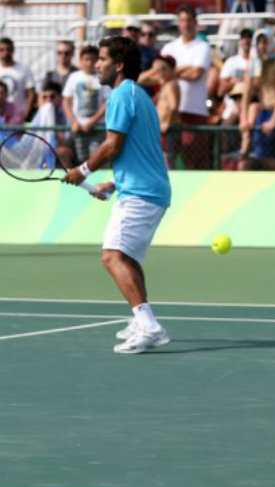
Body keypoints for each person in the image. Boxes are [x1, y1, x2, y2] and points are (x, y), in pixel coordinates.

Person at [63, 36, 171, 355]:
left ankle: (149, 324)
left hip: (140, 194)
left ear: (119, 65)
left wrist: (82, 171)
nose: (96, 63)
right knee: (128, 258)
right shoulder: (141, 96)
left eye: (102, 58)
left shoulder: (121, 96)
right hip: (150, 189)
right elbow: (140, 151)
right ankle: (142, 321)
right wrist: (112, 183)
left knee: (111, 256)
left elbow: (114, 146)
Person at [160, 5, 212, 170]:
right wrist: (184, 69)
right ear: (178, 23)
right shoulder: (169, 48)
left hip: (194, 112)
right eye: (182, 20)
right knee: (166, 160)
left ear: (195, 23)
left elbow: (196, 73)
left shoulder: (203, 46)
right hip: (169, 114)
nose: (186, 24)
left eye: (189, 20)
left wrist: (171, 71)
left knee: (193, 163)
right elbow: (159, 75)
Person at [241, 31, 275, 171]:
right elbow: (247, 91)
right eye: (259, 43)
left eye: (264, 42)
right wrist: (243, 118)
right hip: (264, 112)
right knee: (260, 156)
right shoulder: (254, 63)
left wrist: (274, 120)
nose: (262, 46)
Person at [62, 45, 110, 165]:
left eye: (93, 59)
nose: (89, 63)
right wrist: (74, 121)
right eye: (86, 59)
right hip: (78, 127)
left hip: (97, 126)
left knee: (96, 157)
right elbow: (66, 101)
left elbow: (107, 103)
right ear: (80, 61)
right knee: (80, 158)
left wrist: (92, 122)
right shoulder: (74, 77)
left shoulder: (102, 78)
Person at [139, 54, 180, 168]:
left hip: (168, 128)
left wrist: (166, 123)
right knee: (163, 158)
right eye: (159, 70)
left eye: (164, 69)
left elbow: (173, 106)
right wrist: (154, 70)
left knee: (168, 159)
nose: (160, 72)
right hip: (164, 128)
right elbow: (138, 79)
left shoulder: (171, 85)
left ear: (172, 70)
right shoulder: (165, 84)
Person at [0, 37, 36, 124]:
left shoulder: (24, 69)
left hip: (17, 116)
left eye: (8, 49)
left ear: (13, 51)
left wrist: (25, 115)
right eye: (2, 50)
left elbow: (31, 94)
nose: (5, 52)